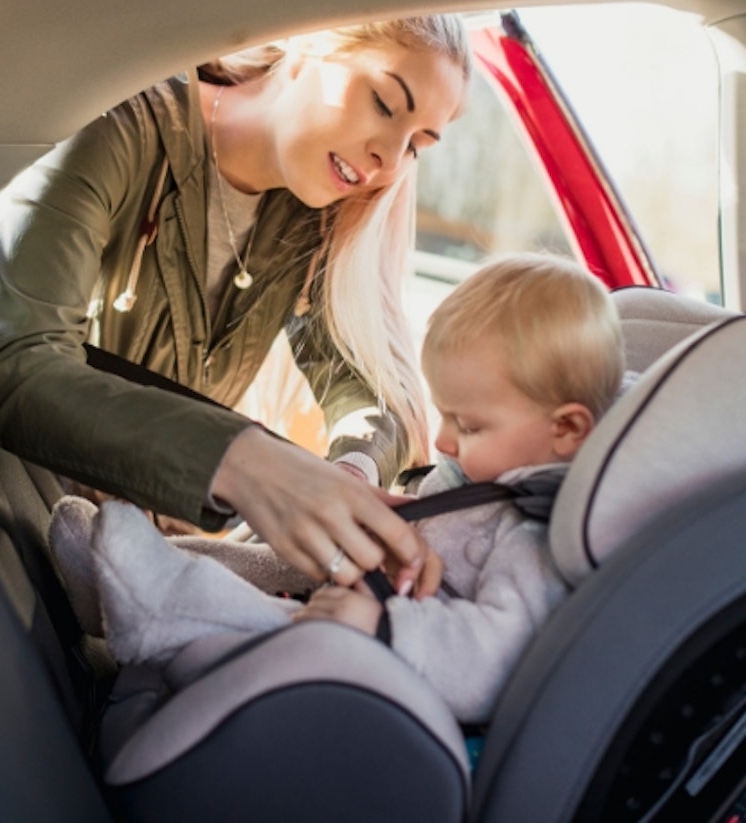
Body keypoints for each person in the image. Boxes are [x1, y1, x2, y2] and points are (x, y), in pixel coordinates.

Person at [0, 17, 472, 590]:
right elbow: (15, 367)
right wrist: (241, 462)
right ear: (309, 43)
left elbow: (363, 386)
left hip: (146, 553)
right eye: (383, 103)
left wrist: (351, 473)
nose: (389, 157)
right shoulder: (124, 128)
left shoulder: (314, 211)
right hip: (31, 525)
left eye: (417, 145)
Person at [49, 253, 626, 723]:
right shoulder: (492, 477)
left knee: (273, 620)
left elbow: (490, 663)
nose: (444, 441)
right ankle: (117, 575)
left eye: (470, 426)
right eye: (444, 415)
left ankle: (154, 599)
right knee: (274, 559)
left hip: (376, 666)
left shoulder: (537, 538)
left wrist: (380, 627)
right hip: (371, 589)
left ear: (566, 429)